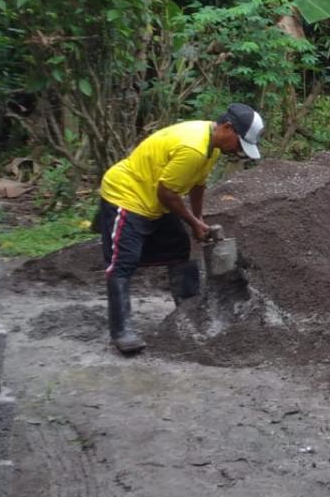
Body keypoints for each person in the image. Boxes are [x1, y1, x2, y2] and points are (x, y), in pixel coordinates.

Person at [98, 104, 264, 354]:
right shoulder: (194, 148)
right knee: (123, 261)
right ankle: (121, 332)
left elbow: (198, 184)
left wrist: (199, 219)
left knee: (178, 247)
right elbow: (166, 192)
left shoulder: (211, 147)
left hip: (153, 200)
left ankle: (187, 311)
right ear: (227, 128)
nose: (238, 150)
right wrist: (193, 223)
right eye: (239, 143)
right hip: (127, 196)